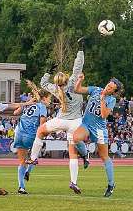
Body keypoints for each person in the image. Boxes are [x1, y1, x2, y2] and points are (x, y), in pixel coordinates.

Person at [26, 37, 88, 194]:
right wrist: (81, 49)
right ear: (67, 79)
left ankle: (33, 158)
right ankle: (74, 181)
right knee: (72, 152)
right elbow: (78, 66)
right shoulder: (74, 82)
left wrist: (48, 71)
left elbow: (42, 83)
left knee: (40, 131)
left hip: (61, 120)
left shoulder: (55, 89)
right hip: (75, 122)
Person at [73, 73, 124, 197]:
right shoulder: (96, 89)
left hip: (99, 130)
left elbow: (104, 115)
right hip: (86, 124)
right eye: (108, 85)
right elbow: (77, 89)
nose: (108, 88)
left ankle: (111, 184)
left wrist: (102, 99)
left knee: (104, 156)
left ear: (113, 92)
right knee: (75, 138)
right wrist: (80, 80)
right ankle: (85, 155)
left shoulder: (111, 100)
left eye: (111, 88)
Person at [13, 81, 51, 194]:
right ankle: (28, 172)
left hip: (19, 133)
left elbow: (15, 112)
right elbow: (42, 125)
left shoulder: (28, 103)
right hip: (31, 135)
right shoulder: (42, 107)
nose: (50, 101)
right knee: (33, 158)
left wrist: (26, 103)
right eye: (49, 99)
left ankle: (21, 187)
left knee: (22, 161)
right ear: (43, 98)